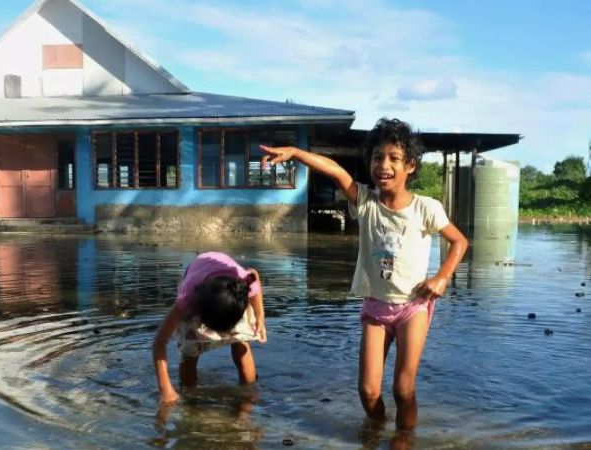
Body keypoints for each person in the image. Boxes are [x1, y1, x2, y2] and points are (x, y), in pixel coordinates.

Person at [260, 118, 468, 432]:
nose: (383, 165)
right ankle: (375, 429)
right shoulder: (366, 202)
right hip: (376, 307)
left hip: (414, 306)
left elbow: (459, 241)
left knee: (403, 388)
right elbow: (335, 171)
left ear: (410, 166)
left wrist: (441, 277)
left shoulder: (426, 208)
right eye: (377, 157)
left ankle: (404, 440)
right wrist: (295, 153)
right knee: (368, 391)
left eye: (394, 158)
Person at [152, 252, 267, 406]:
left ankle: (249, 391)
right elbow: (159, 343)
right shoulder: (187, 299)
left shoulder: (241, 283)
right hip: (199, 298)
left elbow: (254, 278)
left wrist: (260, 318)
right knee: (189, 353)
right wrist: (166, 390)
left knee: (241, 341)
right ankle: (190, 398)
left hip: (228, 295)